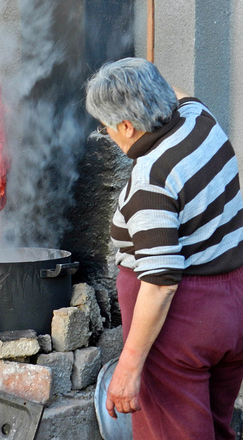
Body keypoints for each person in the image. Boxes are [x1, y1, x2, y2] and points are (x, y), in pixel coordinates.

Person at [85, 57, 243, 440]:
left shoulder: (151, 180)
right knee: (216, 429)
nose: (107, 133)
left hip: (180, 327)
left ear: (126, 126)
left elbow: (160, 283)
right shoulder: (198, 119)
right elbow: (177, 93)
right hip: (232, 308)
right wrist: (136, 79)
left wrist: (128, 368)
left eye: (106, 126)